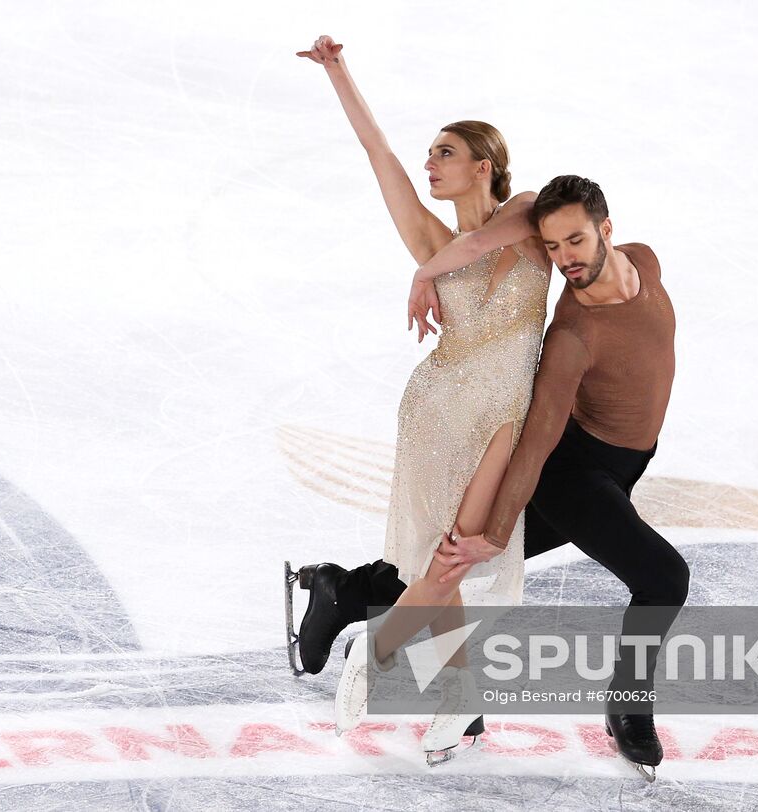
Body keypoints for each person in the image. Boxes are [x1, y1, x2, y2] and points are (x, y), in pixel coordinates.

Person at [307, 175, 691, 780]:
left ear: (607, 230)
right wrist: (499, 528)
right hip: (574, 475)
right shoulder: (573, 336)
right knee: (664, 578)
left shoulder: (645, 262)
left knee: (453, 561)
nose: (565, 259)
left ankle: (344, 592)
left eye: (575, 241)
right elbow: (536, 442)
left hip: (627, 462)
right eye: (553, 247)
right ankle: (628, 704)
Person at [293, 35, 550, 764]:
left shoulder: (528, 212)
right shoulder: (431, 238)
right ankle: (455, 699)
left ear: (483, 165)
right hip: (437, 410)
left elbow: (482, 245)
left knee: (453, 559)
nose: (429, 164)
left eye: (444, 153)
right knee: (443, 562)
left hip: (503, 414)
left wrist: (424, 273)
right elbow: (378, 154)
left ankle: (371, 660)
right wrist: (338, 71)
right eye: (430, 155)